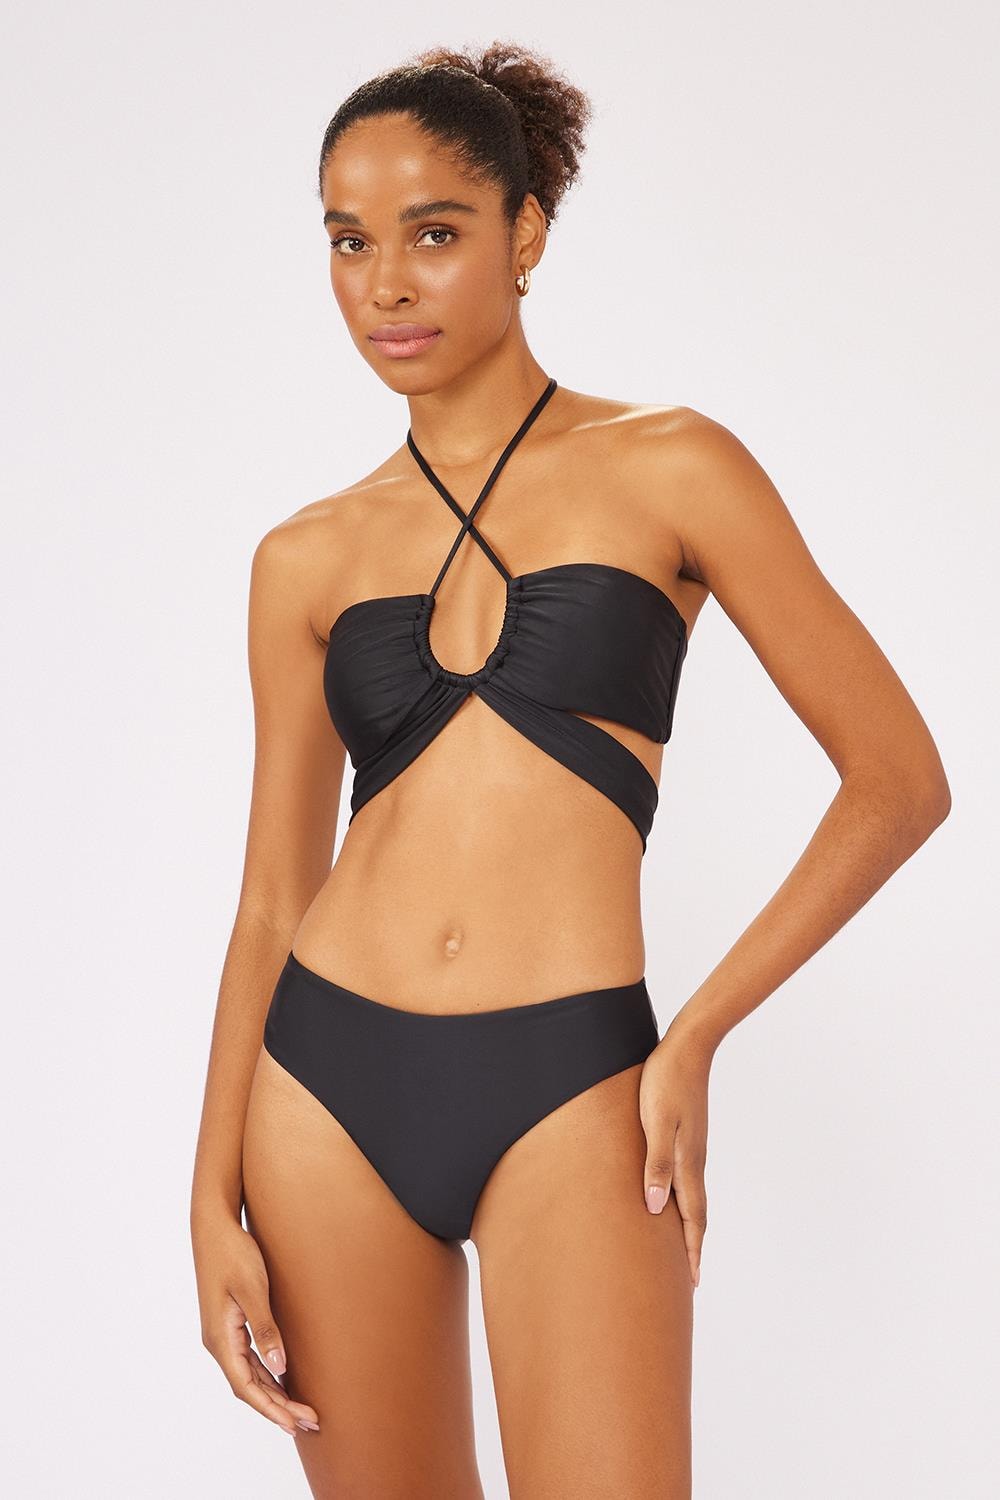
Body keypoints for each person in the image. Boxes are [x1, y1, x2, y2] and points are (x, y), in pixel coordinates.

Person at [189, 41, 951, 1500]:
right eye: (349, 242)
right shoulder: (303, 556)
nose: (386, 285)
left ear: (525, 233)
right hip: (322, 1092)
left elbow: (897, 779)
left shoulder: (673, 466)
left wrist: (697, 1035)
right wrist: (207, 1196)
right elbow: (272, 897)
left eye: (433, 234)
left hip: (576, 1077)